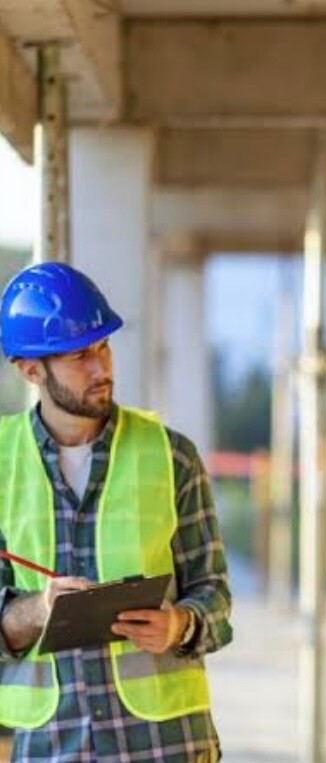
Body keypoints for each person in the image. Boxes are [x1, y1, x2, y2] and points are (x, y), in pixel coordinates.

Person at [0, 262, 232, 762]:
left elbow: (215, 595)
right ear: (31, 369)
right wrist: (36, 610)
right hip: (52, 746)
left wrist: (180, 625)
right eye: (81, 355)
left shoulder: (172, 456)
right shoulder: (1, 464)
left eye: (104, 347)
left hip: (166, 745)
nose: (102, 368)